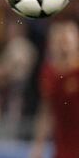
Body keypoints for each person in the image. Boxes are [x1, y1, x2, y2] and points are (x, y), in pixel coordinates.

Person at [31, 20, 79, 158]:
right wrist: (38, 146)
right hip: (62, 147)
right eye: (59, 39)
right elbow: (46, 110)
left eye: (67, 39)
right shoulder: (49, 72)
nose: (63, 44)